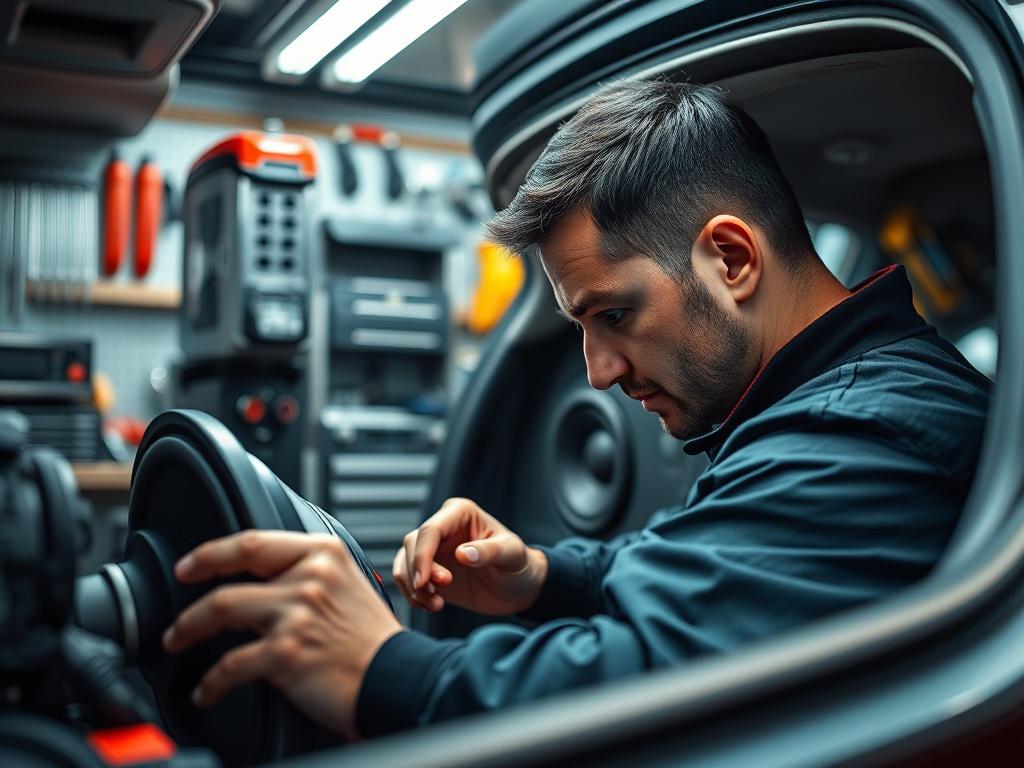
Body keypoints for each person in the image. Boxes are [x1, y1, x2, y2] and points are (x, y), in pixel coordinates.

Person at [160, 79, 991, 741]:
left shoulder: (867, 434)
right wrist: (544, 578)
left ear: (731, 259)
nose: (597, 371)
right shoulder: (815, 411)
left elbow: (647, 687)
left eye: (614, 314)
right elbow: (725, 567)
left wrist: (381, 669)